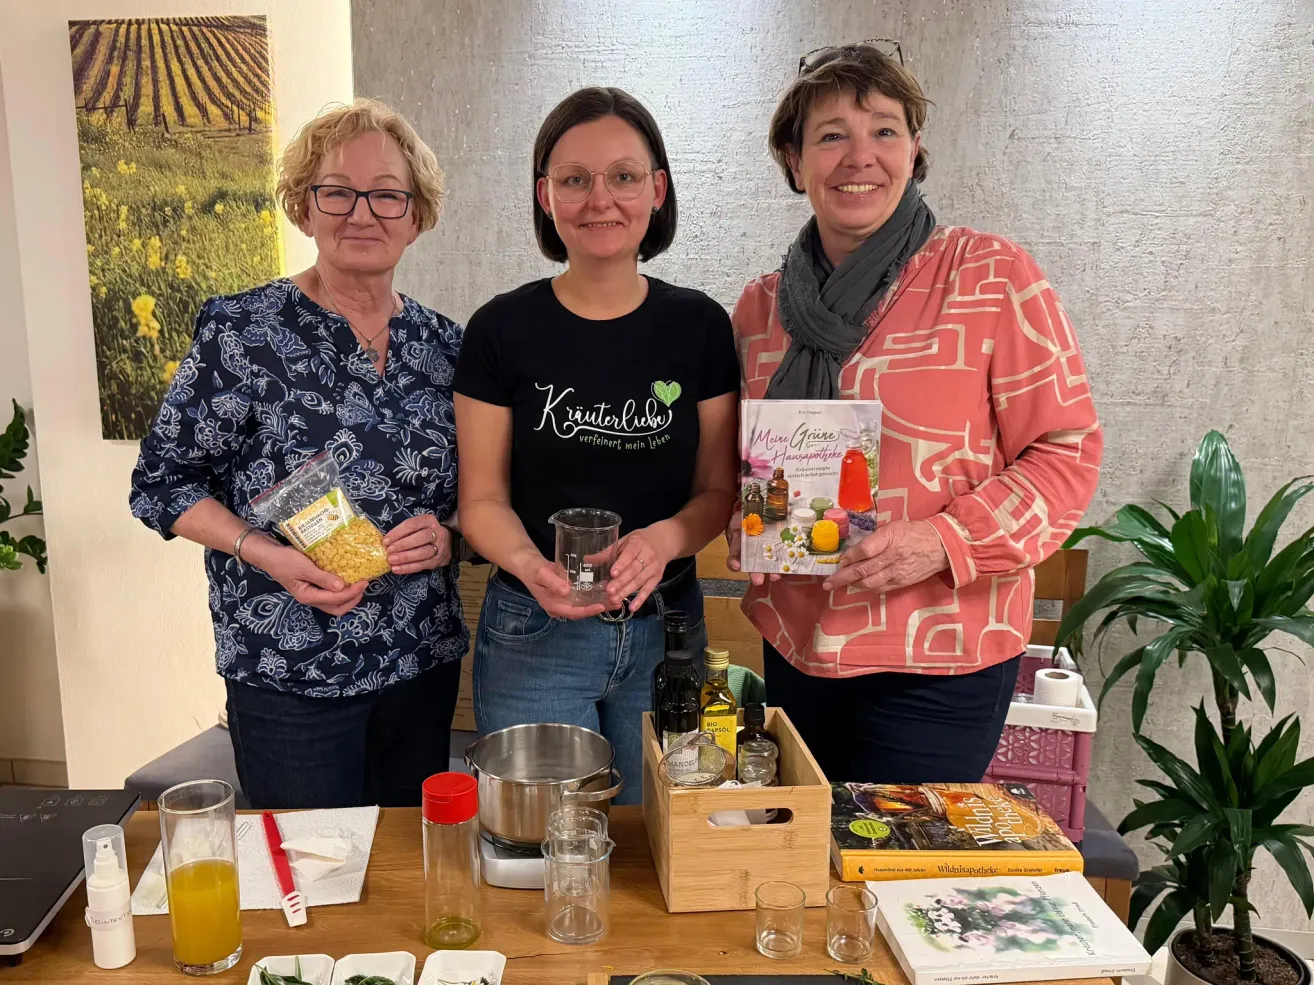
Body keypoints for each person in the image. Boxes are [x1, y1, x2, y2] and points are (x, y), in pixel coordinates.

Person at [726, 42, 1103, 784]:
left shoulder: (991, 276)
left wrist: (941, 538)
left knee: (899, 876)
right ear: (794, 160)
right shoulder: (762, 309)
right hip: (800, 641)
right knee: (808, 868)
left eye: (885, 130)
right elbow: (745, 461)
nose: (858, 156)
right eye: (831, 134)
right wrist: (744, 523)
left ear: (914, 150)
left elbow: (1067, 453)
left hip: (944, 656)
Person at [129, 99, 467, 809]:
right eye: (337, 191)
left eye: (386, 194)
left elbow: (477, 494)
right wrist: (265, 550)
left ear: (416, 215)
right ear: (304, 208)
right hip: (286, 672)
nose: (362, 213)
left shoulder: (447, 348)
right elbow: (162, 483)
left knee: (410, 877)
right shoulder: (241, 331)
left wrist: (449, 535)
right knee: (311, 884)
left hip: (418, 665)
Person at [454, 87, 739, 804]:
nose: (599, 199)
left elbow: (718, 490)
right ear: (545, 195)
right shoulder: (500, 329)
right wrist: (527, 562)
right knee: (539, 852)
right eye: (574, 179)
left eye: (623, 176)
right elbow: (481, 501)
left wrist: (667, 537)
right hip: (533, 631)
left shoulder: (700, 327)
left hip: (668, 629)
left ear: (657, 190)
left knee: (659, 852)